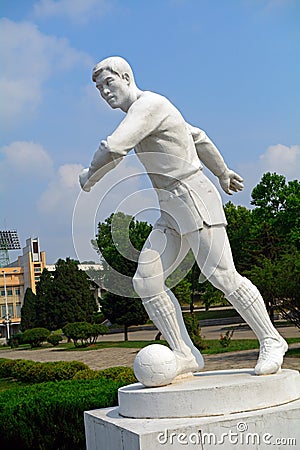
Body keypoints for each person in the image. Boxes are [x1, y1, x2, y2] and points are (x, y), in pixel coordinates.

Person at [79, 56, 287, 377]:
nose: (105, 92)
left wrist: (90, 174)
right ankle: (185, 354)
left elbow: (115, 147)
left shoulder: (149, 106)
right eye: (99, 88)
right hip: (169, 210)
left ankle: (272, 340)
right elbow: (198, 135)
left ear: (126, 77)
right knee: (146, 281)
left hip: (193, 197)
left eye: (110, 83)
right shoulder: (152, 108)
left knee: (222, 277)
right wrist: (223, 171)